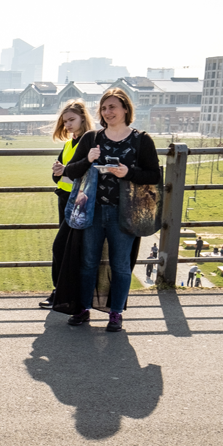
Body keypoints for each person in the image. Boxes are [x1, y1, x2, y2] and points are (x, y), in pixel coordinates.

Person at [58, 88, 160, 332]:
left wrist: (129, 173)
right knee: (88, 262)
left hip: (123, 213)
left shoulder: (141, 140)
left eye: (112, 106)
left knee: (121, 265)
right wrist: (89, 160)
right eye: (104, 108)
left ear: (126, 108)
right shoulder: (92, 138)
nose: (107, 112)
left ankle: (116, 313)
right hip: (92, 210)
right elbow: (70, 171)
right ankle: (83, 309)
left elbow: (154, 175)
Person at [40, 100, 94, 309]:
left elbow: (86, 173)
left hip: (78, 202)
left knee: (62, 247)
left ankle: (61, 294)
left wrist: (64, 171)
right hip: (64, 198)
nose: (68, 125)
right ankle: (64, 294)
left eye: (72, 120)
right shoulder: (69, 143)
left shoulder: (88, 142)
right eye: (65, 122)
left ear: (83, 117)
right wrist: (57, 170)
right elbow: (62, 174)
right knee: (67, 248)